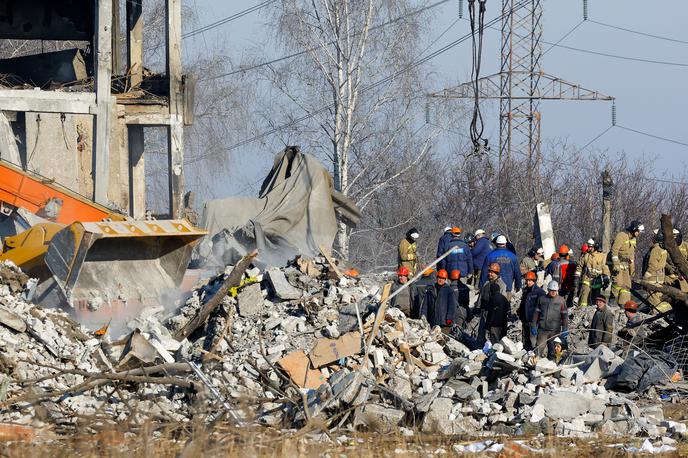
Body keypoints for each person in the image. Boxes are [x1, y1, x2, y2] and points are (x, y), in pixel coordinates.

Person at [531, 280, 569, 359]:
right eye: (552, 290)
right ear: (548, 290)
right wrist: (534, 325)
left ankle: (552, 366)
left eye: (555, 291)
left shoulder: (561, 301)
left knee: (553, 351)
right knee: (538, 350)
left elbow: (565, 316)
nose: (553, 292)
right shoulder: (542, 299)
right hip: (542, 331)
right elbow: (536, 313)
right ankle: (535, 366)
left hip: (555, 331)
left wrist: (565, 328)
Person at [611, 220, 644, 306]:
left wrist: (632, 269)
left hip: (626, 266)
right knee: (618, 283)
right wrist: (616, 264)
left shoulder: (633, 240)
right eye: (638, 231)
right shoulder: (622, 236)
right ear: (634, 229)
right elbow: (614, 250)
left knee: (627, 285)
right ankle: (612, 299)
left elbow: (631, 256)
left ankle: (623, 304)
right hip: (618, 264)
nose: (639, 233)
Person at [477, 262, 507, 347]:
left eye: (492, 272)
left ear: (497, 273)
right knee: (481, 332)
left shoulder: (501, 285)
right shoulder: (486, 283)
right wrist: (478, 307)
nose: (490, 274)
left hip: (494, 314)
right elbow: (481, 296)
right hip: (484, 311)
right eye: (489, 271)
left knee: (492, 335)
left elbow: (502, 301)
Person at [642, 229, 671, 312]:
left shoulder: (656, 249)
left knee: (653, 299)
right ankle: (663, 312)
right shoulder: (663, 249)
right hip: (659, 278)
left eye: (654, 235)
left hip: (653, 278)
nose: (653, 237)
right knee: (658, 297)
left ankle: (656, 313)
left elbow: (652, 264)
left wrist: (646, 276)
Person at [517, 271, 545, 351]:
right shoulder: (525, 291)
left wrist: (538, 321)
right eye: (527, 280)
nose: (528, 282)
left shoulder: (539, 292)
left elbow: (541, 308)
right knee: (525, 340)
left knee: (533, 341)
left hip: (534, 321)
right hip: (525, 319)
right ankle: (526, 355)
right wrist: (520, 313)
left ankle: (534, 355)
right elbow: (523, 304)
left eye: (530, 280)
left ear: (534, 280)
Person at [577, 239, 610, 307]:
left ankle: (594, 311)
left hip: (597, 280)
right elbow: (579, 267)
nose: (588, 248)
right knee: (584, 297)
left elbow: (605, 268)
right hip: (587, 279)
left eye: (590, 246)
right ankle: (582, 310)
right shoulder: (586, 256)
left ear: (595, 247)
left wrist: (606, 279)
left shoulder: (602, 256)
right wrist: (576, 278)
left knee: (596, 298)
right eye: (588, 246)